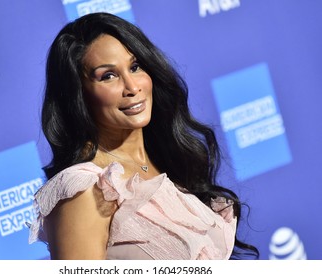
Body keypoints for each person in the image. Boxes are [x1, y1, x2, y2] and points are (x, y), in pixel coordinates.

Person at [28, 12, 259, 260]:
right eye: (108, 76)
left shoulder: (168, 161)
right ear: (79, 96)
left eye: (135, 67)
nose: (133, 87)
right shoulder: (86, 190)